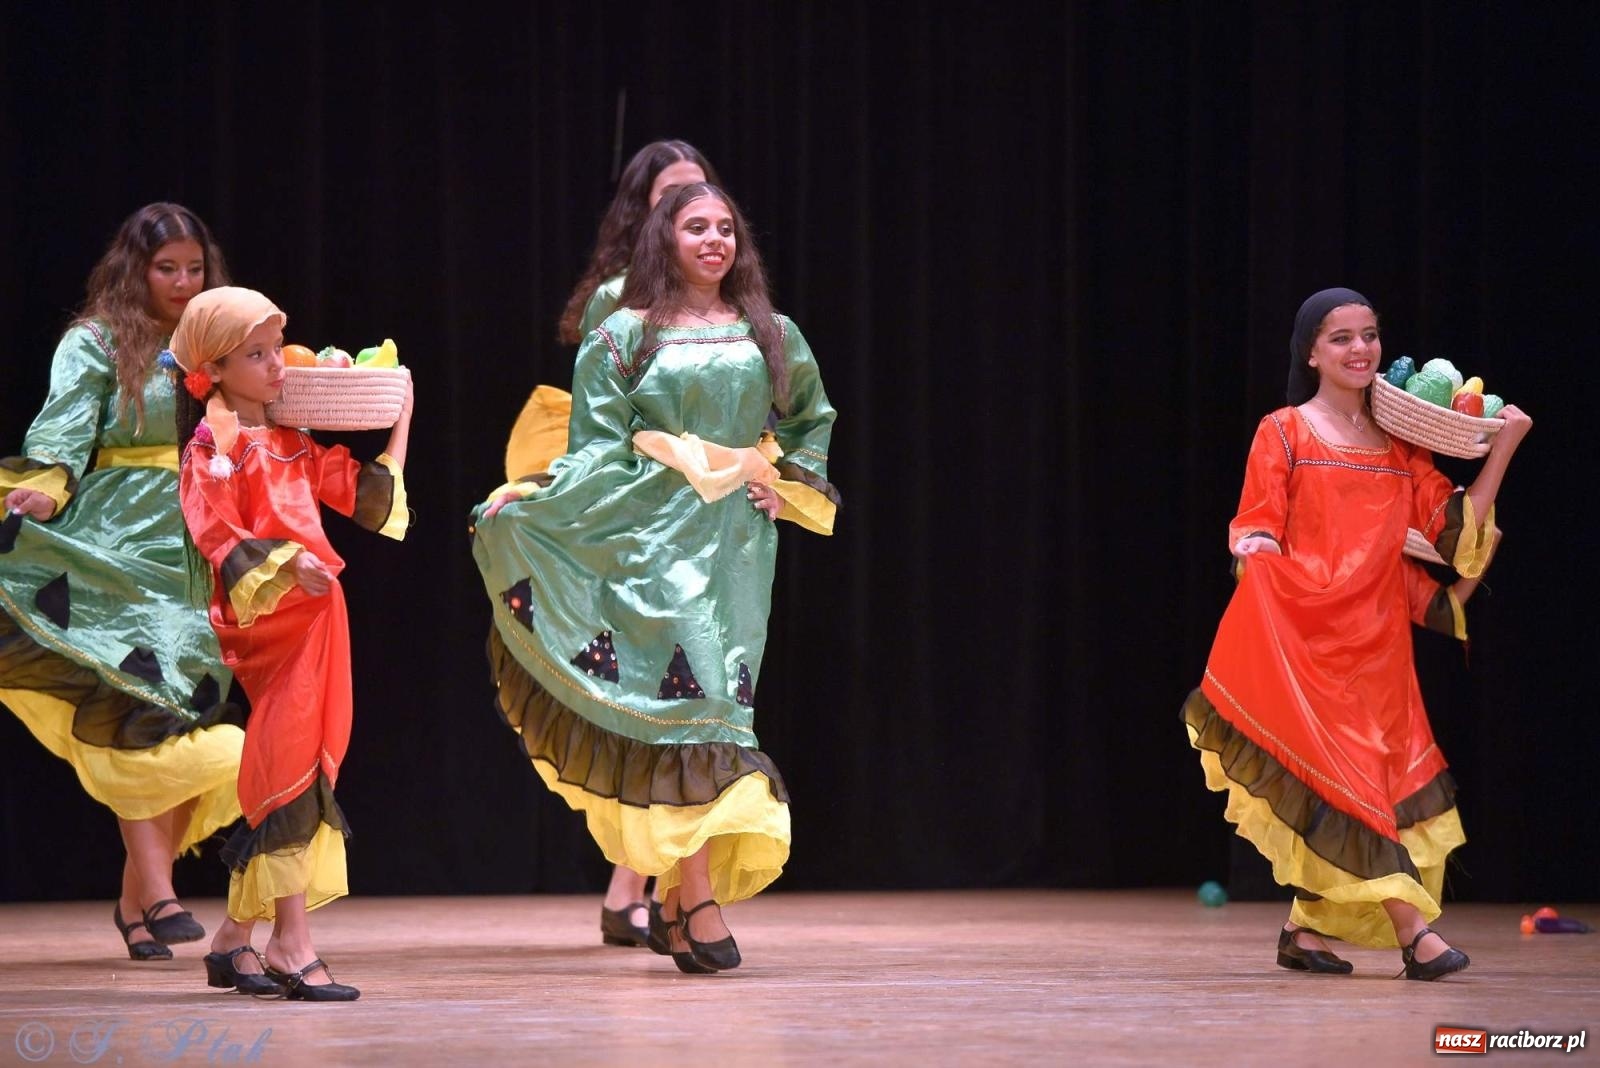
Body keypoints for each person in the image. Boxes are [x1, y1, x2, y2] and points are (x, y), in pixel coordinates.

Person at [475, 182, 839, 972]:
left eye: (726, 229)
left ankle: (676, 898)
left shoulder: (770, 331)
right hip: (648, 536)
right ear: (662, 241)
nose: (714, 240)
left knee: (715, 707)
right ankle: (697, 898)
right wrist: (532, 499)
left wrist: (784, 480)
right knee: (689, 698)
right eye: (696, 227)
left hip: (735, 546)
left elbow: (811, 418)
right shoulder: (621, 336)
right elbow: (595, 447)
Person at [1181, 287, 1531, 980]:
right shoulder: (1283, 431)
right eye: (1341, 337)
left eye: (1369, 334)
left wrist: (1504, 449)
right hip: (1307, 639)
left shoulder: (1400, 447)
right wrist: (1255, 551)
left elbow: (1458, 539)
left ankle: (1303, 929)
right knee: (1351, 787)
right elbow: (1256, 522)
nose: (1360, 348)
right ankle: (1416, 936)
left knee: (1365, 786)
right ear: (1311, 352)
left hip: (1376, 651)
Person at [0, 203, 244, 961]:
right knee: (141, 717)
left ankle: (136, 901)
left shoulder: (216, 339)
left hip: (195, 545)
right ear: (135, 269)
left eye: (192, 268)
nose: (180, 281)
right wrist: (44, 481)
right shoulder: (97, 341)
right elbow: (64, 423)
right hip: (114, 550)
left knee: (181, 714)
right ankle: (160, 892)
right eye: (165, 267)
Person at [175, 287, 413, 1000]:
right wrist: (283, 565)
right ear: (212, 370)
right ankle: (292, 944)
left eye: (276, 348)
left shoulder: (290, 443)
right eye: (256, 353)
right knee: (289, 759)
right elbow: (215, 531)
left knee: (310, 754)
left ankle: (232, 943)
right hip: (271, 620)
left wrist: (402, 420)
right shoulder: (211, 449)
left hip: (317, 613)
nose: (275, 364)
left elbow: (362, 493)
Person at [516, 139, 719, 950]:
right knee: (660, 694)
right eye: (674, 197)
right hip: (641, 517)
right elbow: (601, 424)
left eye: (703, 196)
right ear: (644, 213)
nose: (691, 213)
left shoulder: (726, 304)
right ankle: (673, 895)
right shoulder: (617, 303)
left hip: (712, 520)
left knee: (694, 696)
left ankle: (644, 890)